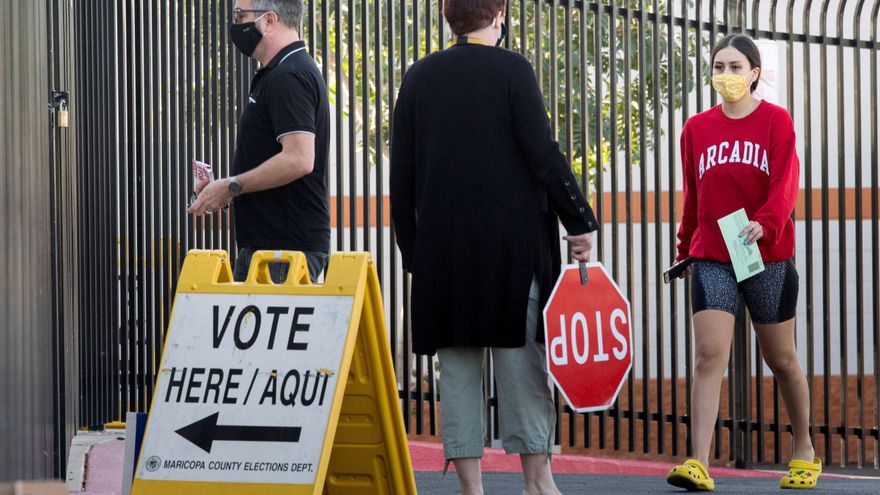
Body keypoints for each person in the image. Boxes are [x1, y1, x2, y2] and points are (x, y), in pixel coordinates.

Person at [390, 1, 598, 494]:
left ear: (449, 18)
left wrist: (415, 253)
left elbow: (402, 179)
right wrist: (579, 220)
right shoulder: (513, 71)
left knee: (457, 372)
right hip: (510, 251)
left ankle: (470, 488)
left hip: (444, 256)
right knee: (520, 364)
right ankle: (538, 481)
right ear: (499, 13)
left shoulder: (419, 78)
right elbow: (542, 152)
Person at [667, 33, 820, 491]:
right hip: (712, 254)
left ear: (754, 73)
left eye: (735, 67)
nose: (726, 75)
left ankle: (804, 450)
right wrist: (684, 250)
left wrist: (766, 222)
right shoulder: (696, 129)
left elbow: (786, 182)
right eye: (719, 67)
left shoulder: (775, 121)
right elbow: (693, 195)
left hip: (766, 253)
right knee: (709, 354)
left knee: (782, 358)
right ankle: (697, 462)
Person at [188, 0, 330, 283]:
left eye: (241, 15)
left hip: (284, 251)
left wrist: (231, 186)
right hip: (271, 247)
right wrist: (226, 188)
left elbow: (299, 159)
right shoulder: (278, 72)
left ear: (268, 21)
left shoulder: (289, 76)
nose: (236, 23)